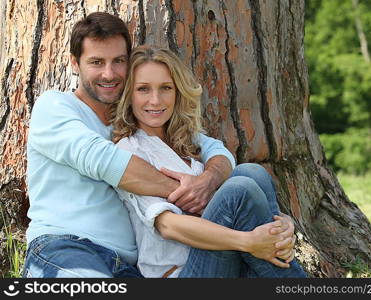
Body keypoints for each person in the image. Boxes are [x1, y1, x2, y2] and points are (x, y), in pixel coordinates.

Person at [22, 12, 237, 278]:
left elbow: (215, 150)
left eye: (118, 61)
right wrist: (189, 195)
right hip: (65, 247)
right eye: (97, 62)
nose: (109, 73)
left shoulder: (134, 119)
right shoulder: (56, 106)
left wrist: (209, 181)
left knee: (249, 178)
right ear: (75, 64)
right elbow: (106, 163)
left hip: (128, 265)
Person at [111, 45, 307, 278]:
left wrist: (282, 225)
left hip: (226, 260)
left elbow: (223, 156)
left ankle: (280, 242)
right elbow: (167, 225)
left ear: (178, 92)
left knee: (252, 173)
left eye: (166, 88)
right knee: (239, 190)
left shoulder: (184, 137)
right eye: (143, 89)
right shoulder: (129, 149)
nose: (155, 100)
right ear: (128, 95)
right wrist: (248, 241)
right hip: (184, 273)